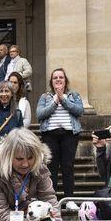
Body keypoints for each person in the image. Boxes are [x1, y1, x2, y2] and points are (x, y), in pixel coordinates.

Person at [36, 68, 84, 199]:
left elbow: (79, 111)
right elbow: (40, 114)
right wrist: (55, 102)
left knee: (67, 167)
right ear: (51, 81)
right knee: (51, 168)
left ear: (65, 80)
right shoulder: (45, 97)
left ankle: (69, 199)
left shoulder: (73, 95)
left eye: (61, 77)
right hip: (50, 135)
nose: (58, 79)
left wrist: (64, 99)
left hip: (69, 134)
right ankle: (52, 198)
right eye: (55, 77)